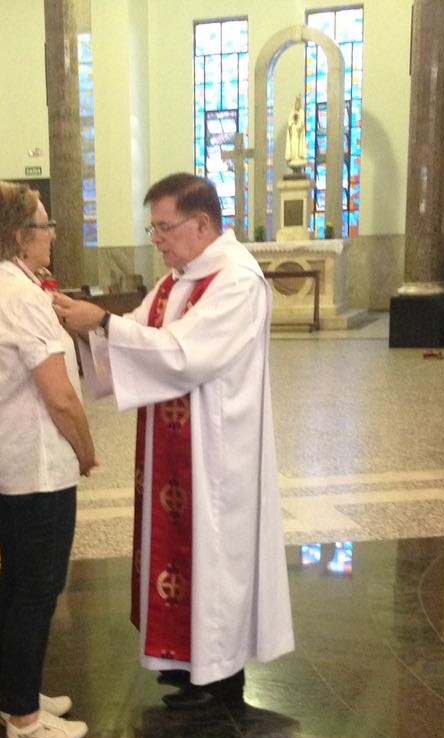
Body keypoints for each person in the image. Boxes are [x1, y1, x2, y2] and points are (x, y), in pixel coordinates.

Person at [53, 172, 295, 709]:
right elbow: (140, 336)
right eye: (153, 228)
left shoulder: (236, 280)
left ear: (202, 223)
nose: (156, 239)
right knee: (182, 554)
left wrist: (105, 323)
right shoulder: (176, 281)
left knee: (214, 558)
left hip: (217, 454)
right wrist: (86, 327)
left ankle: (221, 677)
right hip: (175, 448)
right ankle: (189, 663)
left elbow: (185, 355)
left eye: (164, 227)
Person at [0, 180, 95, 738]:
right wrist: (85, 450)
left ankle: (15, 690)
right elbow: (59, 395)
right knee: (37, 588)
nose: (52, 236)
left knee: (17, 581)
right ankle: (23, 718)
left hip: (8, 462)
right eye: (45, 226)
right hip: (37, 466)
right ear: (21, 237)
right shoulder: (19, 297)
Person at [285, 96, 308, 173]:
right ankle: (294, 157)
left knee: (298, 146)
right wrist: (293, 121)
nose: (296, 105)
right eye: (296, 104)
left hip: (299, 134)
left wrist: (298, 122)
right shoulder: (292, 112)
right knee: (293, 145)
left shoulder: (301, 112)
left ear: (300, 105)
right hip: (293, 133)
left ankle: (298, 157)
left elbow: (302, 124)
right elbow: (289, 123)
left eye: (298, 104)